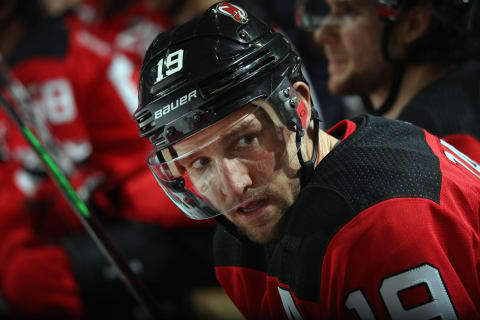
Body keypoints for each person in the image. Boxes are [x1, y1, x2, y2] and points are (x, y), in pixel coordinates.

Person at [134, 2, 480, 319]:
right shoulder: (237, 243)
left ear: (298, 108)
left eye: (245, 140)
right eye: (199, 163)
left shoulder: (384, 218)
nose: (235, 185)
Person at [0, 1, 218, 319]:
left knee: (28, 278)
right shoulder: (76, 33)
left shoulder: (39, 65)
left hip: (182, 214)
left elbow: (56, 192)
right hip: (170, 199)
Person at [295, 0, 480, 151]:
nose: (321, 35)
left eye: (347, 12)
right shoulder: (462, 99)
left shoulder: (422, 139)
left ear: (412, 25)